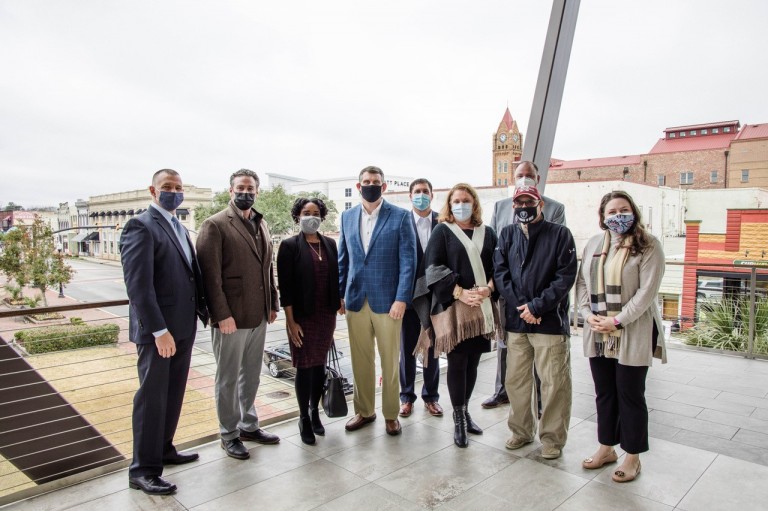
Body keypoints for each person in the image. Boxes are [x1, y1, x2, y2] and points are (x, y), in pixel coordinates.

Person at [120, 169, 209, 495]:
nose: (174, 192)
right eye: (167, 187)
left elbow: (188, 277)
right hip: (159, 334)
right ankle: (142, 469)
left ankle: (165, 450)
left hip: (183, 328)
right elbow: (138, 287)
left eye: (178, 187)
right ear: (152, 191)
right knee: (151, 399)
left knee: (172, 395)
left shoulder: (180, 227)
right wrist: (159, 330)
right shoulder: (140, 226)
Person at [576, 190, 667, 482]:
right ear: (602, 217)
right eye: (611, 212)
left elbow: (646, 293)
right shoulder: (593, 244)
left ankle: (632, 456)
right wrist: (587, 315)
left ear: (634, 211)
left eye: (623, 209)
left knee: (630, 394)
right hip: (598, 332)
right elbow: (581, 285)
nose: (618, 216)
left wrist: (616, 320)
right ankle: (607, 448)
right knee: (604, 393)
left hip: (631, 331)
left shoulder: (649, 245)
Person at [196, 169, 280, 461]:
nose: (246, 193)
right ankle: (229, 434)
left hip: (259, 314)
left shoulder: (261, 222)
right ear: (230, 191)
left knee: (252, 376)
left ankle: (248, 425)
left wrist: (273, 303)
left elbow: (268, 265)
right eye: (241, 188)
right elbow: (209, 277)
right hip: (230, 318)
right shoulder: (215, 225)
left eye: (251, 188)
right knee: (228, 378)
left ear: (257, 192)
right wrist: (221, 315)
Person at [493, 183, 577, 460]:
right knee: (516, 381)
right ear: (513, 206)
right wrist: (522, 307)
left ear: (541, 204)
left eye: (530, 202)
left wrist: (537, 306)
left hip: (549, 322)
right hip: (517, 323)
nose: (524, 207)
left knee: (554, 383)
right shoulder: (506, 234)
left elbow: (565, 277)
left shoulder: (561, 235)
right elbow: (501, 273)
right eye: (519, 203)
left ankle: (552, 439)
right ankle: (521, 431)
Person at [413, 183, 499, 448]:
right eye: (456, 200)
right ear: (449, 205)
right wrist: (460, 292)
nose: (461, 204)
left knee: (473, 363)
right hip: (455, 308)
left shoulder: (489, 233)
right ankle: (459, 419)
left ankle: (466, 411)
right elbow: (433, 267)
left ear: (474, 203)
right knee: (458, 362)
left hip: (482, 307)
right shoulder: (443, 231)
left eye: (466, 199)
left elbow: (499, 266)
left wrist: (489, 289)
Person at [338, 165, 416, 436]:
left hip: (389, 302)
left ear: (383, 187)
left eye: (376, 182)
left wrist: (402, 298)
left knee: (390, 361)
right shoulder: (346, 217)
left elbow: (409, 261)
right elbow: (343, 259)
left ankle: (391, 414)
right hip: (355, 299)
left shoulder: (401, 217)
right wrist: (340, 294)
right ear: (359, 186)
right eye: (366, 181)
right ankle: (364, 410)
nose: (371, 185)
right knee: (360, 358)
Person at [483, 160, 567, 410]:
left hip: (542, 296)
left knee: (543, 357)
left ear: (538, 179)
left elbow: (556, 254)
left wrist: (536, 305)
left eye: (529, 175)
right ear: (513, 177)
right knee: (506, 347)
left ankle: (541, 400)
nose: (524, 178)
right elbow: (497, 251)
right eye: (520, 175)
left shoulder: (555, 208)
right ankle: (502, 391)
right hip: (509, 293)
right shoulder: (500, 207)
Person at [276, 197, 343, 445]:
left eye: (316, 212)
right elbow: (286, 288)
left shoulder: (330, 244)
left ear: (322, 216)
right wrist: (290, 322)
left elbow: (336, 277)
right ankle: (303, 417)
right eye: (306, 212)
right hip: (302, 317)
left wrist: (340, 300)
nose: (311, 216)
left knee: (319, 368)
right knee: (304, 368)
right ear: (297, 216)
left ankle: (316, 412)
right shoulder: (289, 246)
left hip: (326, 316)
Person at [399, 178, 443, 419]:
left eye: (425, 191)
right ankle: (406, 397)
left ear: (432, 194)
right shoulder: (401, 221)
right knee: (406, 349)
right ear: (410, 196)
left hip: (434, 296)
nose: (421, 195)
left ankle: (431, 397)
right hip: (407, 297)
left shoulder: (442, 221)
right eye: (417, 192)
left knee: (432, 348)